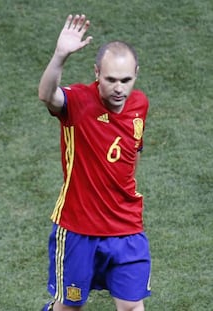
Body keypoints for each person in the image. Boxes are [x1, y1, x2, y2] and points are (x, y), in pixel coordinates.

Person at [38, 13, 151, 311]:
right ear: (97, 73)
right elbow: (46, 94)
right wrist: (60, 56)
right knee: (69, 308)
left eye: (126, 80)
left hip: (126, 228)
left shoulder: (140, 105)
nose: (119, 88)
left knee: (132, 307)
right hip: (78, 229)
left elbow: (132, 153)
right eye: (111, 79)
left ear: (136, 74)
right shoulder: (77, 101)